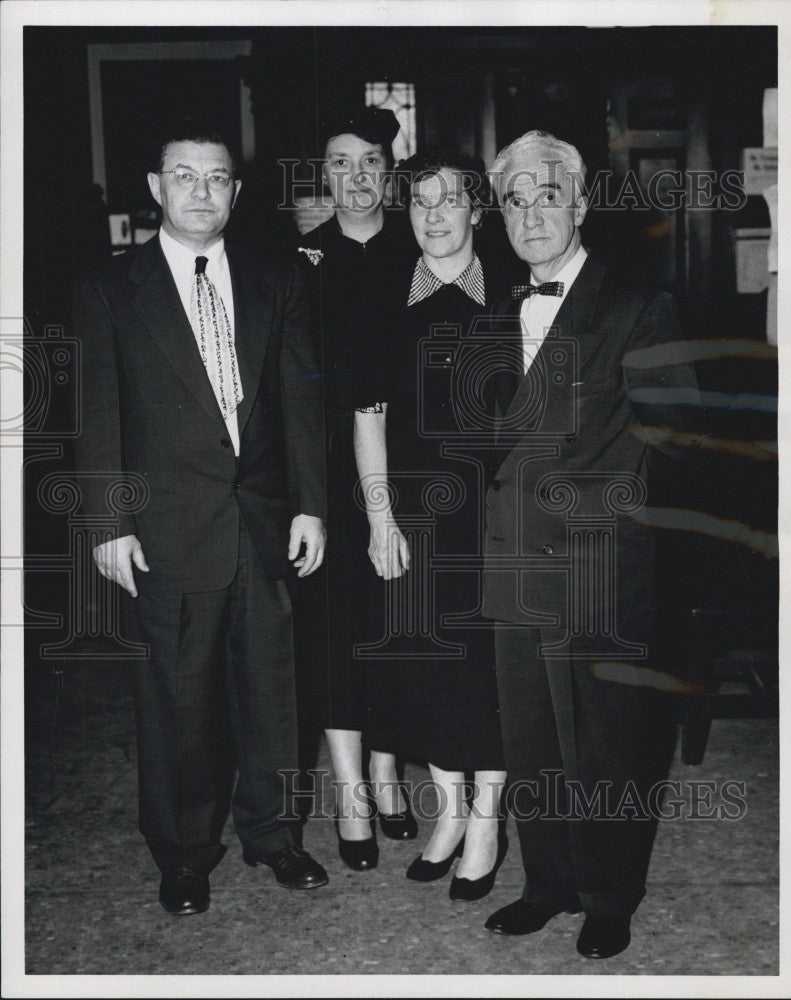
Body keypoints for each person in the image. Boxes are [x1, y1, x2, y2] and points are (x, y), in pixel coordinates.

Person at [73, 118, 329, 915]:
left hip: (262, 519)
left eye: (217, 178)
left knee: (273, 686)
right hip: (166, 525)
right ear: (154, 189)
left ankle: (276, 835)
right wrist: (107, 523)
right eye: (184, 176)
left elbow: (302, 403)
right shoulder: (111, 289)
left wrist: (313, 507)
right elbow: (96, 415)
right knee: (180, 698)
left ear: (236, 192)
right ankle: (184, 853)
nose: (202, 192)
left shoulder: (274, 279)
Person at [481, 130, 700, 956]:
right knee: (532, 739)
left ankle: (609, 894)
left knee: (606, 743)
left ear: (579, 203)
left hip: (597, 563)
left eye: (546, 195)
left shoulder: (638, 306)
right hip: (512, 558)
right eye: (514, 199)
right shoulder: (499, 308)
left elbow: (679, 434)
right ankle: (548, 882)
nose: (530, 213)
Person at [353, 149, 509, 900]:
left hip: (503, 515)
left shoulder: (516, 291)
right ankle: (448, 813)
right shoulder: (381, 297)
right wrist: (381, 519)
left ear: (479, 211)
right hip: (415, 516)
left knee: (493, 673)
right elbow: (367, 416)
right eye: (420, 202)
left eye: (451, 201)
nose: (435, 215)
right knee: (431, 670)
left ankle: (487, 820)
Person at [292, 107, 420, 870]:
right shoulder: (298, 258)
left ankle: (387, 770)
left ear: (389, 169)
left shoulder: (422, 247)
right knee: (335, 626)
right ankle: (349, 791)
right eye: (340, 162)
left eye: (370, 160)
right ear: (324, 174)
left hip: (411, 461)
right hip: (326, 469)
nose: (357, 176)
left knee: (398, 621)